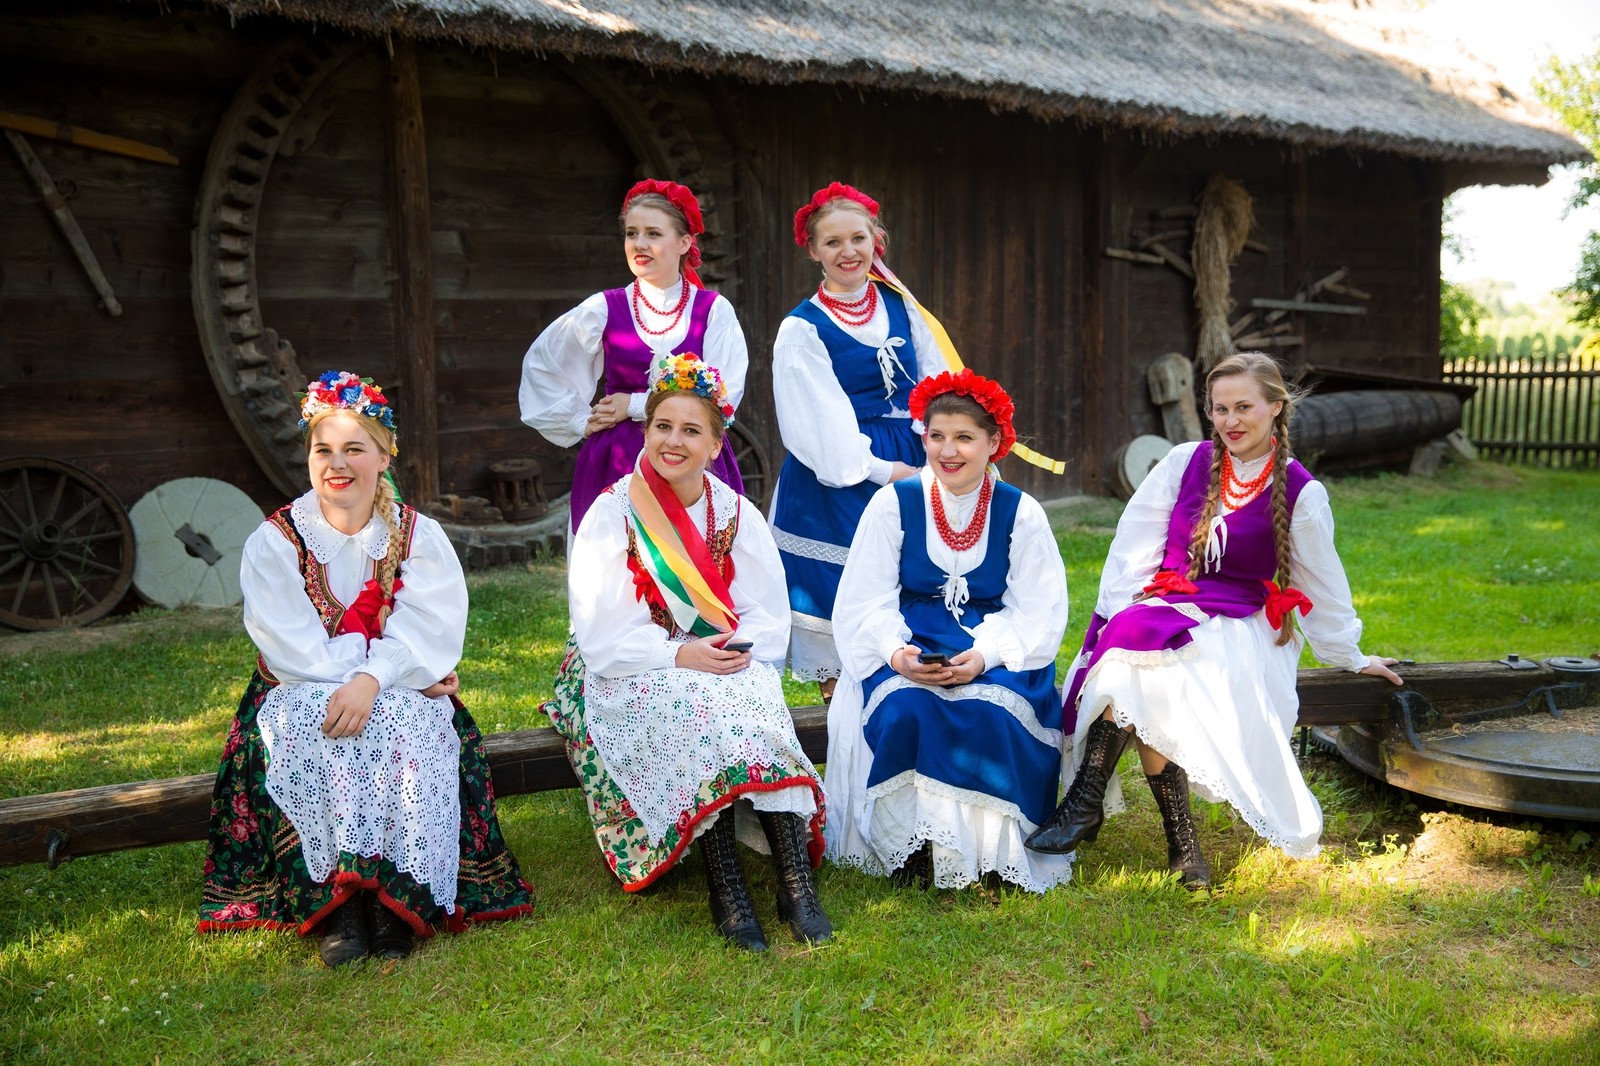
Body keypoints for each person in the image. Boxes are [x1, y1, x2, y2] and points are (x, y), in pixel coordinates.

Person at [1025, 352, 1403, 886]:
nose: (1230, 420)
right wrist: (1124, 608)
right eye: (1220, 409)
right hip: (1167, 604)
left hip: (1238, 622)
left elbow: (1322, 582)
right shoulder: (1185, 462)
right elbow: (1135, 541)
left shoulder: (1301, 491)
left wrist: (1350, 655)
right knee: (1141, 653)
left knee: (1148, 669)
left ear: (1276, 407)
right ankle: (1172, 843)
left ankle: (1094, 807)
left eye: (1244, 407)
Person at [199, 372, 532, 965]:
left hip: (390, 686)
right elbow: (293, 650)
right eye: (322, 449)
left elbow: (429, 628)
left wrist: (376, 679)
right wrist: (377, 677)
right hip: (299, 685)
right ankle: (339, 903)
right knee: (320, 727)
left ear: (384, 456)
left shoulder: (416, 535)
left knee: (405, 722)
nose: (337, 464)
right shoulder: (276, 542)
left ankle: (391, 900)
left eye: (354, 448)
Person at [544, 354, 830, 952]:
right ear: (646, 431)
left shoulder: (733, 512)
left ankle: (793, 880)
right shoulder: (614, 511)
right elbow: (601, 630)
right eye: (662, 426)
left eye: (691, 430)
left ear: (714, 445)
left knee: (750, 694)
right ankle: (726, 883)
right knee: (693, 706)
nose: (673, 441)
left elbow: (765, 612)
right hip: (627, 660)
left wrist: (731, 651)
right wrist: (678, 656)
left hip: (718, 651)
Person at [825, 370, 1074, 892]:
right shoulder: (893, 502)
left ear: (993, 442)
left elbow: (1038, 610)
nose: (948, 450)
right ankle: (913, 846)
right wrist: (896, 654)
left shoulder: (1020, 512)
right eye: (936, 436)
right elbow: (864, 598)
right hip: (910, 638)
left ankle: (990, 855)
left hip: (994, 645)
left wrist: (985, 656)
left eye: (964, 437)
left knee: (992, 713)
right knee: (908, 707)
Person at [769, 182, 949, 697]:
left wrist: (939, 447)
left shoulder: (902, 305)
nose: (847, 251)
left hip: (914, 453)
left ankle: (909, 697)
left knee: (909, 580)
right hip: (840, 475)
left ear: (876, 241)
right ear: (813, 250)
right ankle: (840, 712)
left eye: (857, 239)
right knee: (844, 590)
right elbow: (818, 424)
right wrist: (886, 472)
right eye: (832, 242)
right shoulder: (802, 329)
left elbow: (936, 380)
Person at [520, 179, 747, 533]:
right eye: (631, 233)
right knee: (617, 554)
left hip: (690, 458)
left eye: (653, 233)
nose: (639, 244)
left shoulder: (713, 311)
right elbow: (543, 366)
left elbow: (724, 396)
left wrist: (635, 405)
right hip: (616, 460)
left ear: (684, 243)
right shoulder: (602, 308)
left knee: (695, 556)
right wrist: (579, 421)